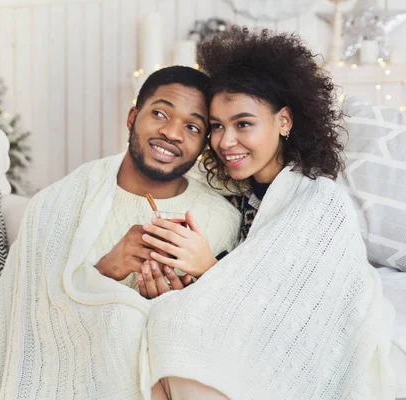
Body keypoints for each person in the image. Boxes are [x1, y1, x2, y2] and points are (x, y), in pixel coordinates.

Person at [143, 28, 396, 399]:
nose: (226, 142)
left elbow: (295, 309)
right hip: (235, 324)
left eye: (243, 124)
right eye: (217, 126)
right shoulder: (228, 193)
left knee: (177, 329)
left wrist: (208, 267)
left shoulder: (320, 200)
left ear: (284, 121)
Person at [0, 66, 240, 399]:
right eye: (160, 114)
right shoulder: (60, 202)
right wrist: (105, 271)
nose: (172, 133)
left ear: (203, 143)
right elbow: (24, 312)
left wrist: (176, 300)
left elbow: (225, 333)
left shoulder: (219, 219)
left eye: (192, 126)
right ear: (132, 117)